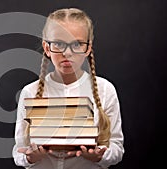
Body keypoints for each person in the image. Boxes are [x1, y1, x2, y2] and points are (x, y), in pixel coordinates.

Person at [12, 7, 124, 169]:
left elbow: (117, 149)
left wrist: (99, 155)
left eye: (77, 44)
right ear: (46, 47)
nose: (67, 52)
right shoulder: (30, 92)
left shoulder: (105, 89)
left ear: (88, 48)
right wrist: (30, 158)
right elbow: (19, 151)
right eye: (58, 44)